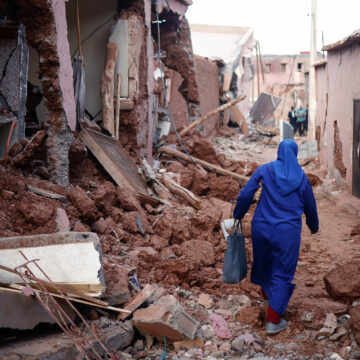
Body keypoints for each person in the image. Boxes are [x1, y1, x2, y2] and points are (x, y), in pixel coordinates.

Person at [233, 140, 319, 335]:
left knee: (264, 265)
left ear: (279, 152)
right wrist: (313, 227)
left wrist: (238, 214)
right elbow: (310, 207)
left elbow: (246, 194)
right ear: (294, 154)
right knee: (282, 272)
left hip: (261, 228)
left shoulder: (265, 169)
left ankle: (269, 301)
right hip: (287, 233)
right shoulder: (302, 178)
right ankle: (273, 320)